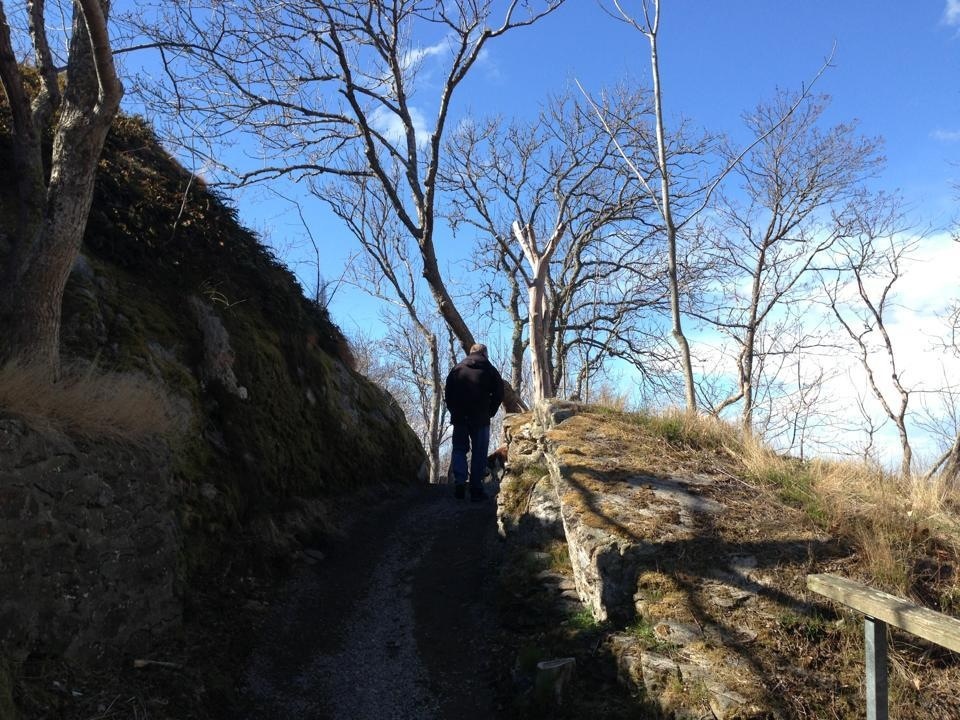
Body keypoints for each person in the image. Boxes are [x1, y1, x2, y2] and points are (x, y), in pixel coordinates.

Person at [444, 343, 504, 500]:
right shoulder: (489, 370)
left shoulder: (457, 369)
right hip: (481, 418)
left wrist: (454, 411)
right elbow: (499, 393)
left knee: (459, 449)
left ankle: (460, 483)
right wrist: (490, 411)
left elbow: (448, 394)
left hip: (460, 418)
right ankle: (476, 489)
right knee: (479, 452)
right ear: (484, 354)